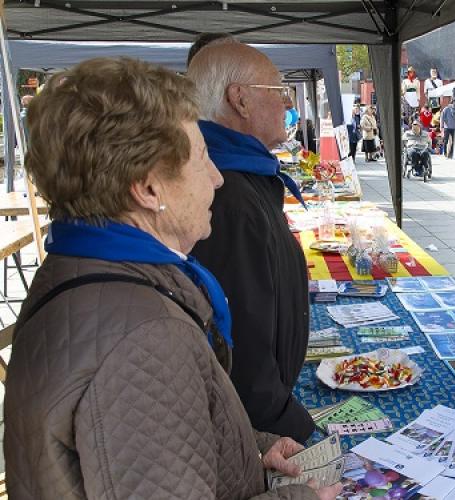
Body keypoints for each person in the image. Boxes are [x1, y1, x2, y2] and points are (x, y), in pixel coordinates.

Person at [4, 56, 340, 499]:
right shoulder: (143, 337)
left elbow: (146, 449)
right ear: (148, 189)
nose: (217, 178)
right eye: (200, 158)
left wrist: (252, 447)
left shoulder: (90, 268)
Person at [188, 42, 316, 443]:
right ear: (240, 99)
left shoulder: (244, 174)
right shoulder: (227, 194)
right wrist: (285, 426)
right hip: (259, 426)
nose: (287, 102)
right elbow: (241, 345)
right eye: (278, 91)